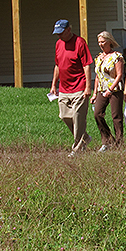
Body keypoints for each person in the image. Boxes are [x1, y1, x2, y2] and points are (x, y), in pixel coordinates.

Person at [50, 19, 93, 157]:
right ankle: (85, 138)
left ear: (69, 29)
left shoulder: (80, 42)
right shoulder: (58, 44)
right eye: (57, 33)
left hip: (79, 86)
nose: (59, 36)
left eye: (61, 33)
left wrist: (88, 86)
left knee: (78, 117)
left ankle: (77, 149)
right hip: (64, 88)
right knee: (64, 116)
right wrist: (53, 84)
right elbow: (57, 65)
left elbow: (86, 65)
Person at [90, 31, 124, 152]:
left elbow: (119, 75)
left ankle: (119, 143)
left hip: (115, 89)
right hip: (101, 89)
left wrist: (111, 89)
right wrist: (94, 93)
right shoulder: (98, 58)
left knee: (116, 116)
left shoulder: (117, 56)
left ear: (109, 41)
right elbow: (98, 77)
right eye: (99, 42)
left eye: (103, 42)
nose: (101, 44)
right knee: (97, 114)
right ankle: (107, 140)